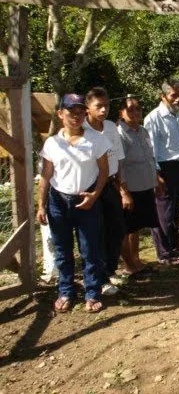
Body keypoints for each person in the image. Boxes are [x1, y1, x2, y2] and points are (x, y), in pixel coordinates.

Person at [37, 94, 110, 313]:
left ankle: (92, 292)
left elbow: (104, 171)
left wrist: (94, 195)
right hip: (58, 201)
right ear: (60, 114)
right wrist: (41, 205)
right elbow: (46, 176)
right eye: (71, 112)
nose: (76, 117)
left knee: (90, 249)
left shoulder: (96, 140)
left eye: (80, 112)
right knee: (62, 250)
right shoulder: (52, 143)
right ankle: (66, 291)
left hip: (86, 199)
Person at [84, 87, 129, 296]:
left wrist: (122, 188)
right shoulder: (81, 130)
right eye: (98, 106)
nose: (104, 110)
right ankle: (98, 279)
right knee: (96, 233)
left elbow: (118, 158)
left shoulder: (111, 127)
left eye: (107, 106)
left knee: (117, 228)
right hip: (91, 187)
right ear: (87, 108)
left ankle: (108, 270)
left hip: (110, 184)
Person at [144, 80, 179, 265]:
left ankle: (175, 247)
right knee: (164, 213)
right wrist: (157, 176)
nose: (178, 99)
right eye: (173, 95)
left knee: (175, 211)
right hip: (164, 169)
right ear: (163, 96)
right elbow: (151, 151)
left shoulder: (177, 116)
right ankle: (164, 253)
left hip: (178, 167)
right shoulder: (153, 118)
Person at [117, 96, 162, 277]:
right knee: (129, 228)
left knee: (137, 227)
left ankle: (136, 260)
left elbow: (150, 158)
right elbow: (119, 166)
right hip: (131, 188)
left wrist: (156, 179)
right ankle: (129, 265)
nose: (135, 112)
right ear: (121, 112)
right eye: (130, 109)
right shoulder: (120, 134)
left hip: (145, 186)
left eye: (138, 109)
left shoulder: (143, 131)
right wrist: (124, 192)